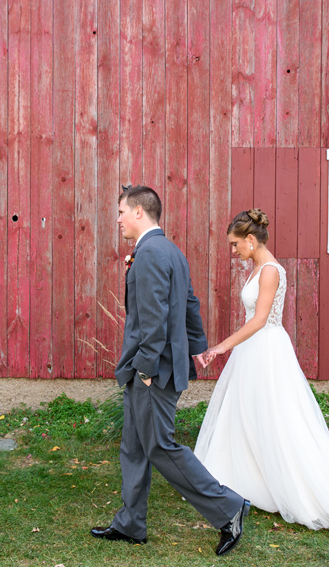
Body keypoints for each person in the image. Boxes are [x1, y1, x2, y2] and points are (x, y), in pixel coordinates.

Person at [194, 209, 329, 543]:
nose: (233, 251)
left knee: (275, 417)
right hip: (251, 350)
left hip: (266, 348)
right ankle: (244, 479)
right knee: (244, 412)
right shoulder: (256, 267)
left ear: (251, 240)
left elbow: (260, 319)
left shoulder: (270, 271)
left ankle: (292, 484)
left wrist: (221, 347)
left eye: (236, 244)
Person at [91, 185, 250, 556]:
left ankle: (228, 508)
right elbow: (190, 304)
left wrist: (146, 368)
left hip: (152, 372)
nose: (117, 220)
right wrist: (195, 349)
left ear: (139, 213)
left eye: (120, 212)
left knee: (160, 446)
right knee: (133, 446)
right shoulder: (172, 252)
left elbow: (154, 318)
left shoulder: (148, 254)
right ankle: (131, 523)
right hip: (154, 367)